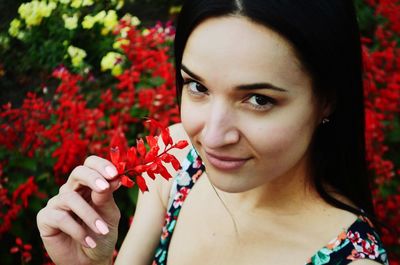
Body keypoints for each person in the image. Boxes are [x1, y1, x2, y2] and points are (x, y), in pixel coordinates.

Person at [37, 0, 390, 264]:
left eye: (258, 99)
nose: (212, 137)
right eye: (198, 87)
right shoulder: (176, 159)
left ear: (327, 101)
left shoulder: (350, 258)